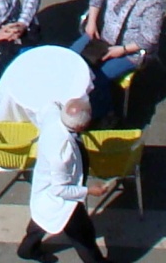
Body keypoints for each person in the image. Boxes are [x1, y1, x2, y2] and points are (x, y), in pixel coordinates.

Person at [18, 98, 114, 263]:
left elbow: (50, 104)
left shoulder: (52, 115)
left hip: (45, 192)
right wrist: (89, 191)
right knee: (83, 235)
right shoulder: (63, 155)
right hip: (62, 201)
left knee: (40, 221)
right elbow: (60, 190)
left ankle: (27, 249)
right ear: (80, 127)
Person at [70, 0, 166, 119]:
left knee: (95, 81)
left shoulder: (154, 3)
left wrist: (121, 50)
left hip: (130, 51)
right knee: (71, 58)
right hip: (104, 36)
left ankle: (105, 113)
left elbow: (149, 39)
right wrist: (92, 22)